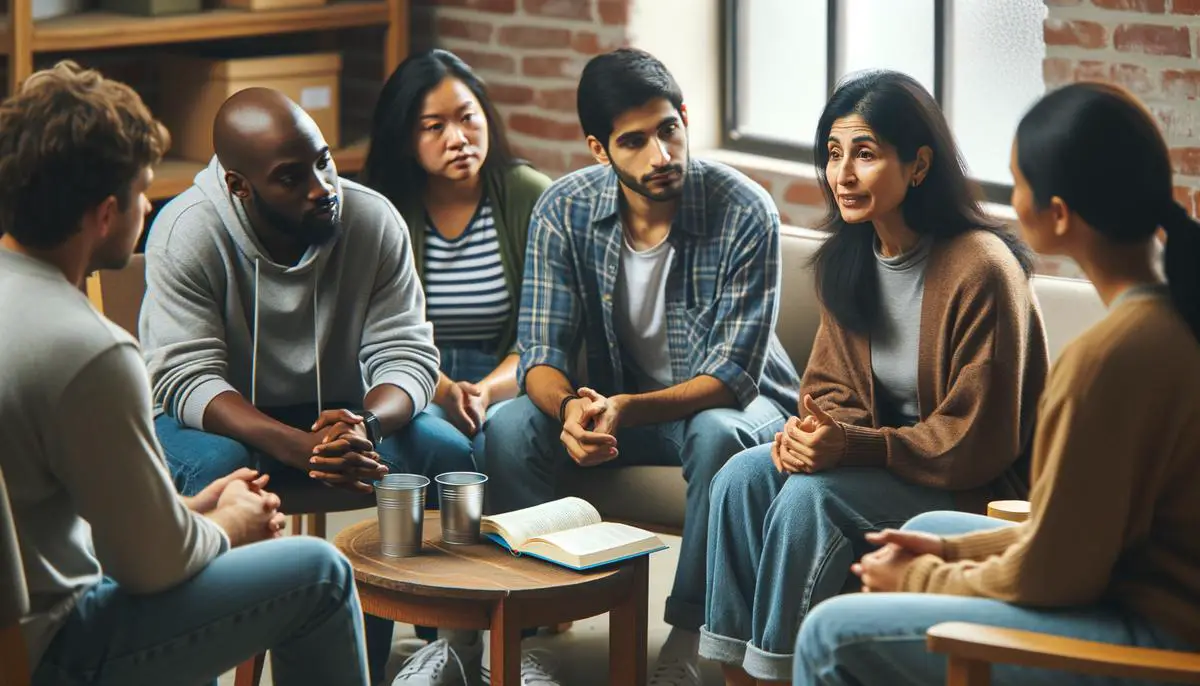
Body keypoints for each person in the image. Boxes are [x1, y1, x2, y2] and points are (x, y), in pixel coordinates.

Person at [792, 81, 1200, 686]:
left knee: (828, 634)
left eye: (1019, 180)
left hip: (1154, 633)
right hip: (1140, 586)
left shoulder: (1104, 362)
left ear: (1057, 214)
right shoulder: (1172, 319)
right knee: (931, 530)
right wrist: (950, 554)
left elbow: (1059, 572)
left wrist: (924, 579)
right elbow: (1078, 533)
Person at [0, 61, 367, 686]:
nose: (150, 205)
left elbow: (46, 513)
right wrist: (229, 523)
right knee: (321, 574)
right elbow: (149, 569)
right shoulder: (89, 349)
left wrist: (188, 511)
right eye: (144, 191)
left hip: (30, 610)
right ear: (107, 214)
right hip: (53, 648)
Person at [700, 70, 1049, 686]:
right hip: (885, 465)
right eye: (833, 155)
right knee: (741, 475)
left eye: (865, 154)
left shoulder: (982, 269)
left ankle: (785, 672)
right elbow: (829, 390)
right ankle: (735, 674)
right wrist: (813, 436)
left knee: (812, 498)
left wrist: (854, 448)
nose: (843, 175)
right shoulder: (851, 257)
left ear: (918, 165)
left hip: (971, 482)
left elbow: (976, 440)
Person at [485, 48, 800, 686]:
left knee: (718, 433)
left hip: (742, 405)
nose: (661, 155)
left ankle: (688, 638)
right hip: (622, 405)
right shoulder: (564, 211)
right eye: (635, 142)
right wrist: (573, 408)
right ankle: (525, 627)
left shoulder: (745, 210)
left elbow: (733, 376)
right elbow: (540, 354)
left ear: (685, 117)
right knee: (508, 426)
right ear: (600, 149)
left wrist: (626, 411)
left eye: (669, 130)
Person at [138, 87, 475, 683]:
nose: (322, 186)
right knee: (217, 462)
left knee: (442, 450)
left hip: (340, 415)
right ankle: (210, 658)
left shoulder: (370, 218)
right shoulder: (187, 230)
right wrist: (293, 445)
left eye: (323, 160)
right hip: (218, 419)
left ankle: (400, 660)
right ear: (240, 186)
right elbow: (186, 377)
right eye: (291, 178)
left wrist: (365, 425)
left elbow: (408, 354)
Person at [362, 48, 552, 467]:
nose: (458, 138)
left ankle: (510, 535)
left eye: (468, 117)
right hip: (412, 377)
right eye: (434, 127)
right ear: (405, 139)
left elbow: (545, 332)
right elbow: (372, 333)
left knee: (504, 435)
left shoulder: (530, 195)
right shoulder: (381, 208)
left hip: (508, 377)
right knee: (430, 439)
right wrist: (445, 389)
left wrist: (485, 390)